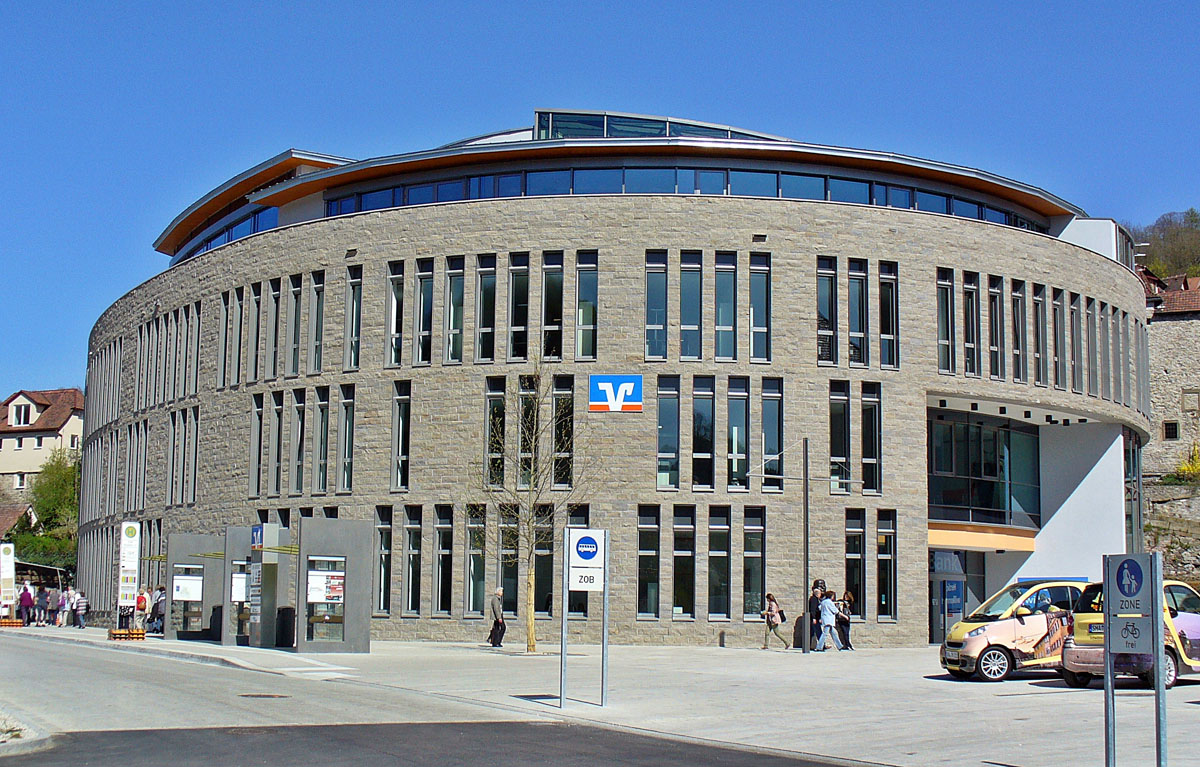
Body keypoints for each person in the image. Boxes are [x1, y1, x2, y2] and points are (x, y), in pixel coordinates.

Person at [807, 582, 825, 651]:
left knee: (813, 632)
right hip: (815, 619)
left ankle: (810, 645)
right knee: (818, 632)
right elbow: (813, 609)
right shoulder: (814, 599)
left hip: (815, 618)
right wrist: (814, 618)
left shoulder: (815, 599)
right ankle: (821, 646)